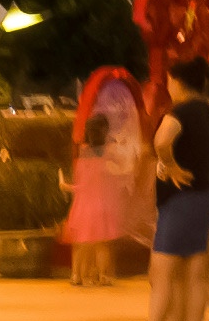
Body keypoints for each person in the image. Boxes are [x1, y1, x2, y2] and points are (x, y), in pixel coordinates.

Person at [134, 56, 209, 321]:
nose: (168, 87)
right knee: (196, 275)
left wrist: (172, 164)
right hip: (204, 197)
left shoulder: (180, 111)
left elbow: (161, 140)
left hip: (180, 202)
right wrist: (203, 158)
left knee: (162, 275)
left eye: (170, 82)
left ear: (179, 83)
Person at [60, 69, 145, 290]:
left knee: (80, 245)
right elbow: (120, 173)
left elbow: (80, 184)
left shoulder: (83, 155)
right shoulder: (109, 153)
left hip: (81, 208)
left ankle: (77, 275)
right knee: (102, 246)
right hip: (103, 209)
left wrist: (66, 185)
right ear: (105, 132)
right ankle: (103, 276)